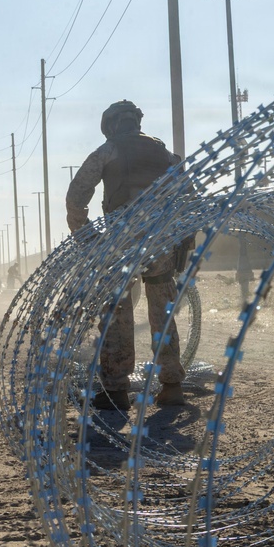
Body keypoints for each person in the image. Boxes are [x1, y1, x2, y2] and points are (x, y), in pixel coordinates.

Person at [66, 100, 187, 410]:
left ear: (111, 124)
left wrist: (88, 238)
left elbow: (77, 193)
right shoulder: (164, 154)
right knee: (162, 308)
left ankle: (117, 390)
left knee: (118, 311)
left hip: (122, 240)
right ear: (137, 121)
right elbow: (189, 196)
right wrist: (183, 239)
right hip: (160, 238)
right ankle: (171, 385)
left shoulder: (109, 150)